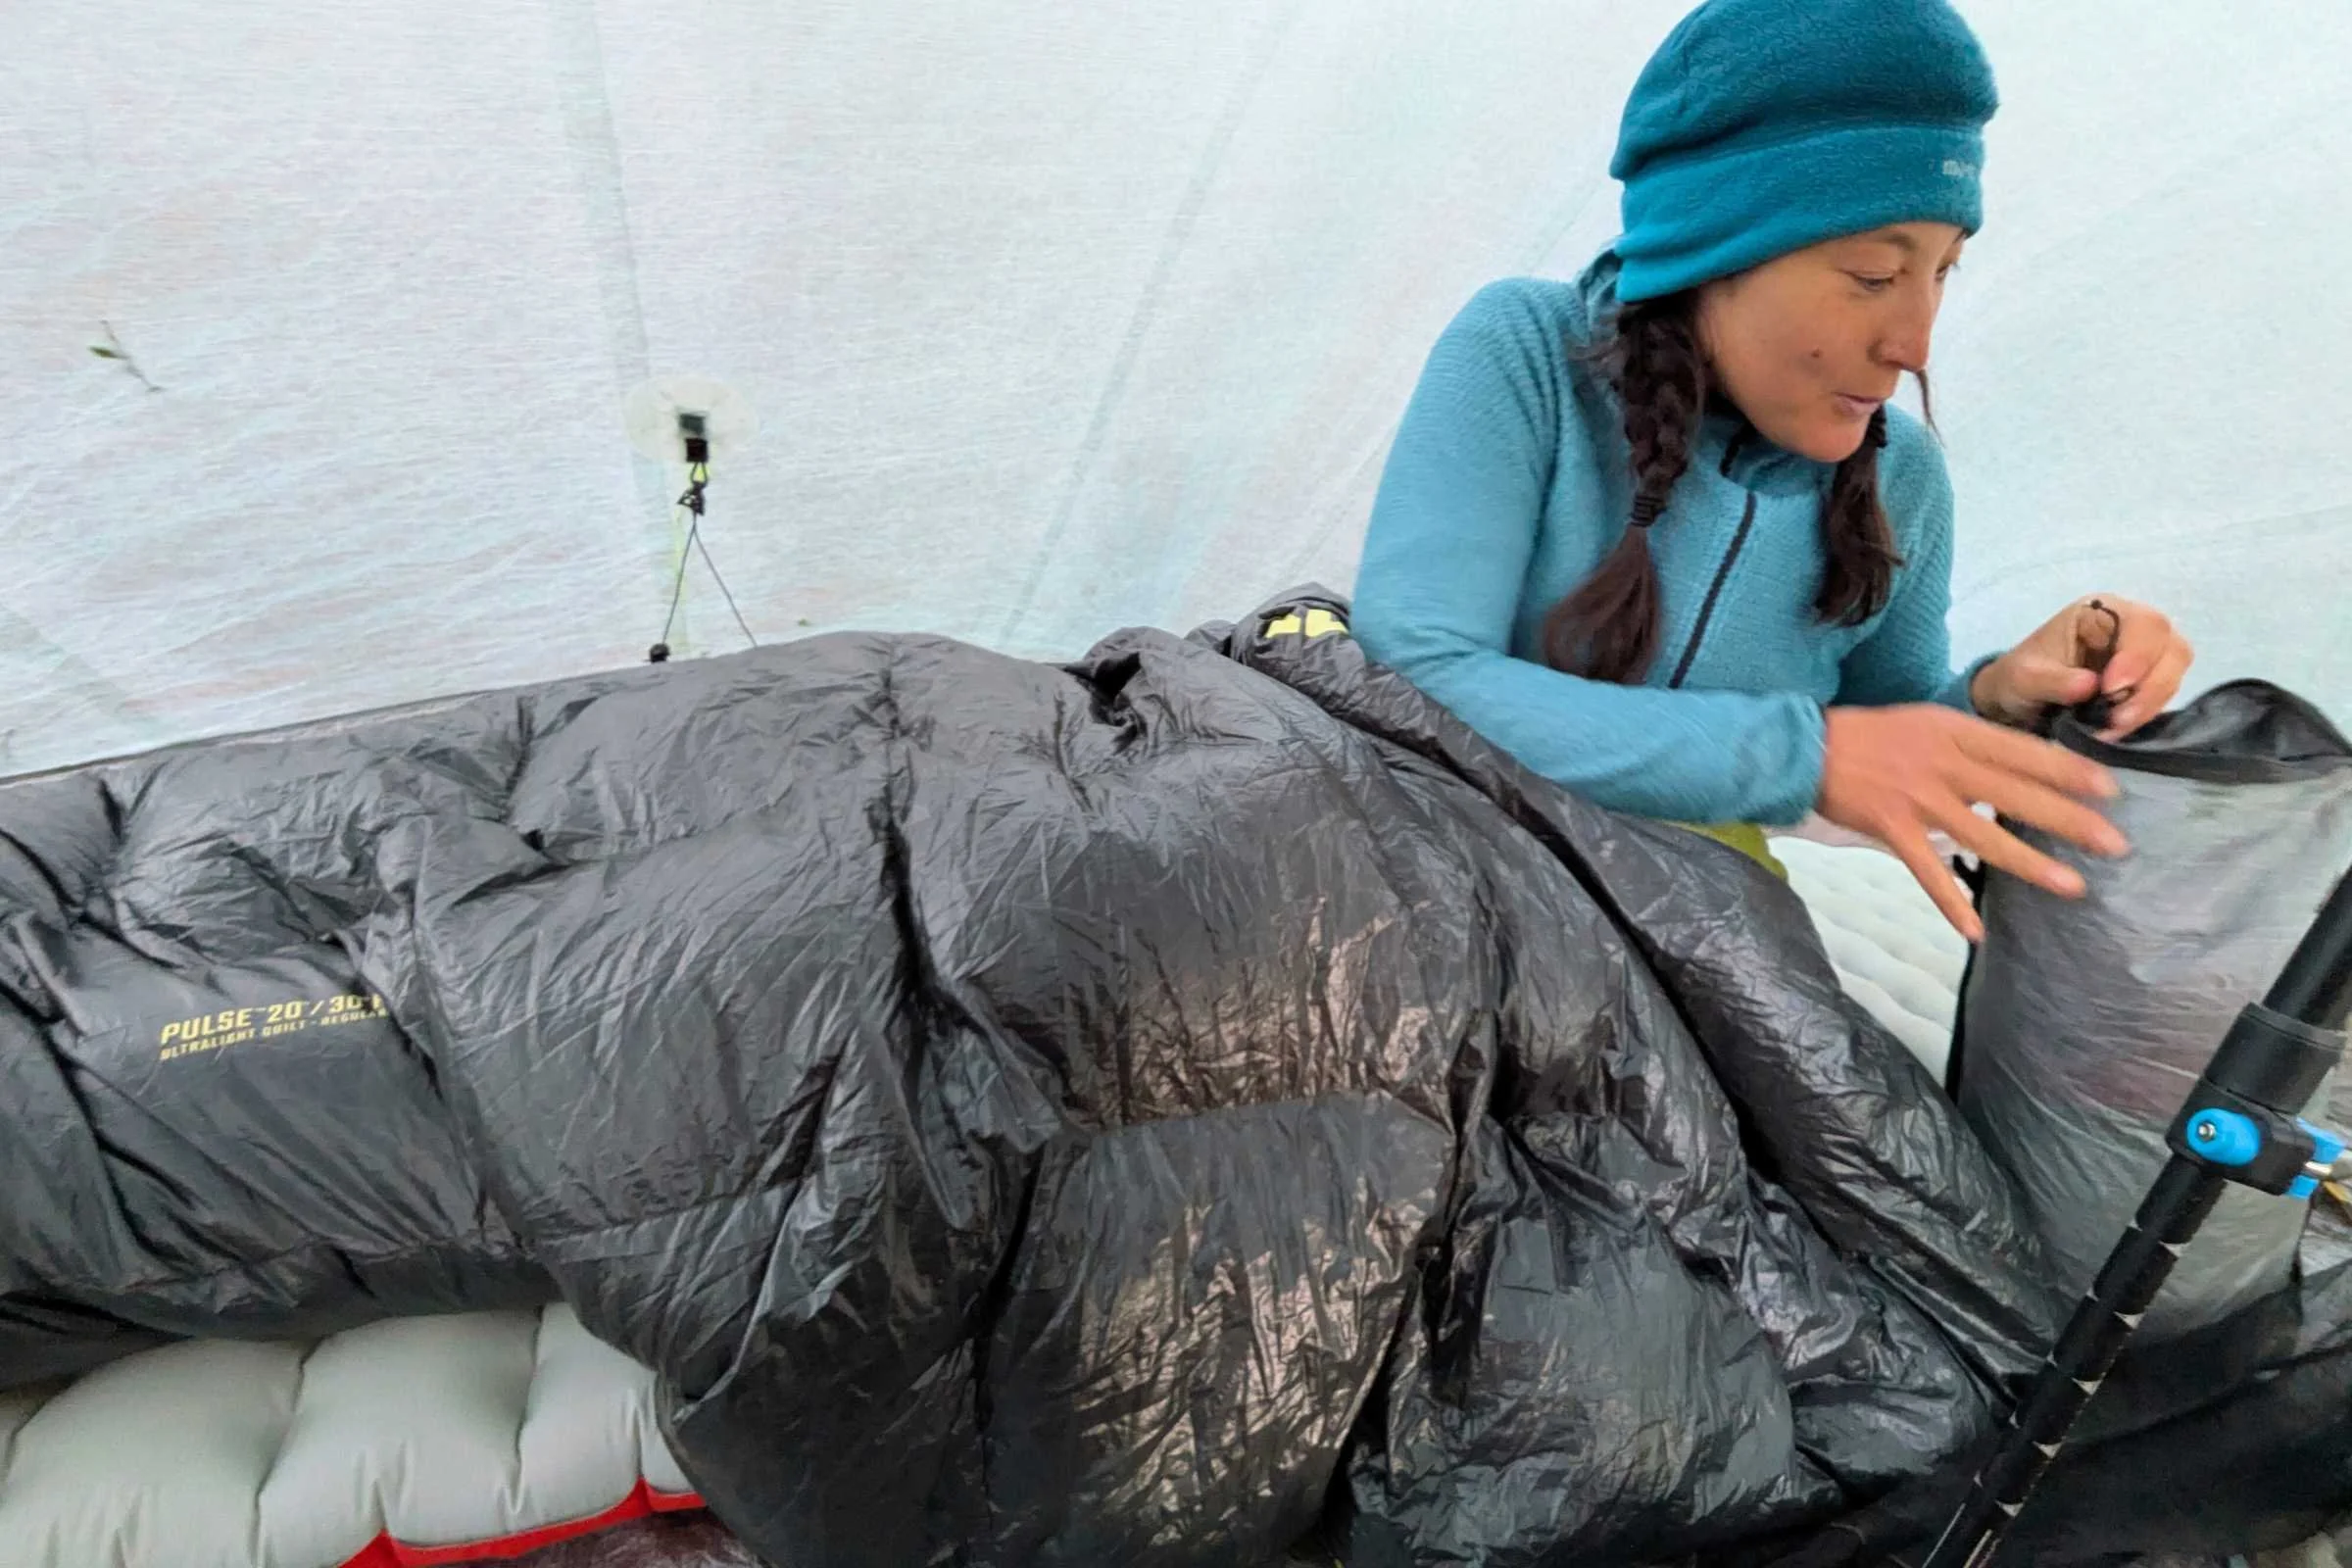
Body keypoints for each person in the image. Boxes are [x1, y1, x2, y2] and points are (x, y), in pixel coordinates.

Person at [1349, 0, 2194, 943]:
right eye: (1875, 275)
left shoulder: (1898, 476)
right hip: (1438, 892)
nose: (1915, 344)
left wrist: (2004, 696)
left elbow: (1886, 726)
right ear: (1713, 254)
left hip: (1692, 938)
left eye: (1945, 271)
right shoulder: (1525, 353)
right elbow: (1417, 672)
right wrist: (1804, 755)